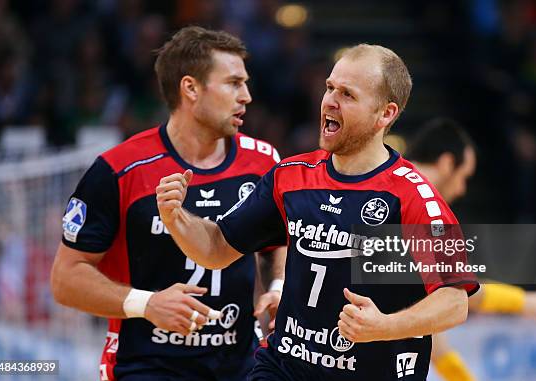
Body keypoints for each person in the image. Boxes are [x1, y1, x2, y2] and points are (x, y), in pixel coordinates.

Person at [156, 44, 479, 381]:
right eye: (329, 88)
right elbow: (216, 248)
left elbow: (454, 302)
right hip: (284, 368)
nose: (330, 101)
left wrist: (385, 326)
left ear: (385, 114)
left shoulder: (413, 198)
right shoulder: (291, 175)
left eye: (348, 95)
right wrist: (176, 218)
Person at [51, 26, 285, 381]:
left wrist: (278, 286)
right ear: (190, 88)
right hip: (146, 365)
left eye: (245, 83)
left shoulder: (263, 161)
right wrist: (146, 304)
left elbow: (275, 243)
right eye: (233, 83)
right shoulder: (119, 169)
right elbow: (65, 278)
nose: (247, 96)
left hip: (239, 364)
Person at [405, 118, 536, 381]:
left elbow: (429, 329)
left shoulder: (394, 190)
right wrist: (523, 301)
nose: (462, 189)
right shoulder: (422, 208)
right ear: (446, 163)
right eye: (464, 177)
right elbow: (460, 293)